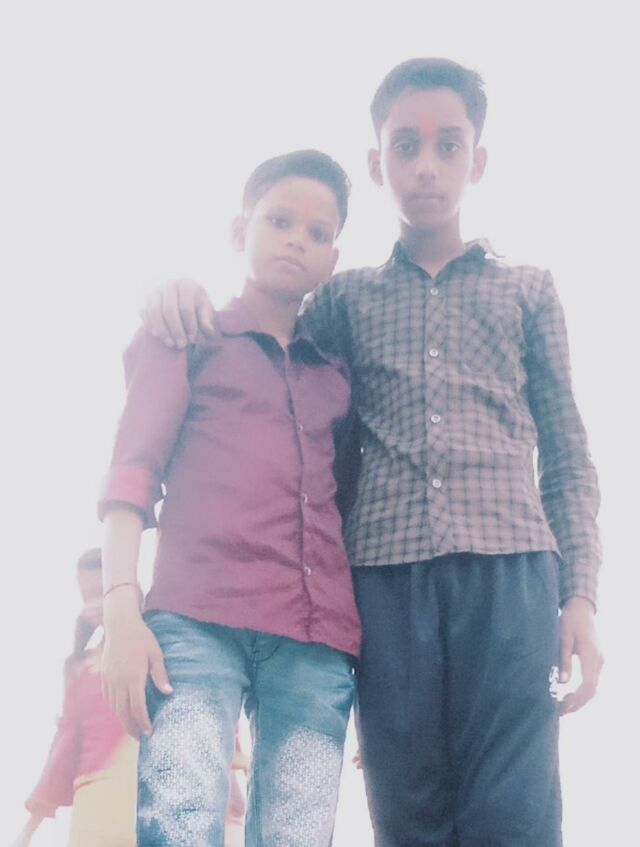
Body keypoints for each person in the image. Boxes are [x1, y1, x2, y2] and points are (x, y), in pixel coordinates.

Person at [141, 58, 604, 846]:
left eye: (448, 145)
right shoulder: (344, 300)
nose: (426, 166)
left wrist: (581, 598)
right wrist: (183, 293)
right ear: (377, 160)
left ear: (477, 160)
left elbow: (567, 454)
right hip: (384, 585)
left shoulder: (528, 290)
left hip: (513, 574)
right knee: (406, 808)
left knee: (516, 811)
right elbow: (271, 369)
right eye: (405, 145)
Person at [99, 149, 360, 847]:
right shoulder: (186, 335)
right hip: (195, 623)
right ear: (240, 229)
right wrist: (120, 610)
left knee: (299, 836)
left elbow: (346, 509)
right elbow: (131, 475)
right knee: (179, 825)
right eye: (280, 221)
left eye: (317, 232)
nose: (296, 240)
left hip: (315, 642)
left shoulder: (336, 378)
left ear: (333, 258)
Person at [13, 548, 137, 847]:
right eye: (86, 595)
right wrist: (29, 828)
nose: (92, 604)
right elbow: (66, 743)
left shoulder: (158, 650)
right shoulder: (80, 668)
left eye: (100, 593)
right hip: (94, 808)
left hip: (153, 793)